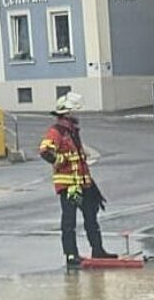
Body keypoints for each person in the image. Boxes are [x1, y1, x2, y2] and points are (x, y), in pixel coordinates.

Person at [39, 92, 116, 268]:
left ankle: (98, 250)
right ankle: (71, 256)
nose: (77, 115)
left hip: (82, 183)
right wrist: (61, 160)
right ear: (66, 114)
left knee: (91, 216)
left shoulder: (72, 132)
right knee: (69, 221)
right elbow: (45, 151)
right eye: (74, 112)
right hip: (69, 186)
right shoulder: (56, 132)